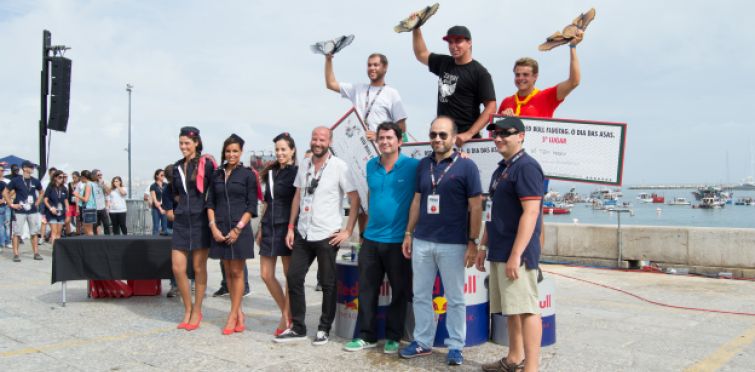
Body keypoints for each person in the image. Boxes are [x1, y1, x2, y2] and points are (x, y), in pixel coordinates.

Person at [399, 116, 482, 365]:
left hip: (453, 243)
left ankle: (456, 346)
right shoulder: (423, 165)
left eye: (442, 135)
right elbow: (416, 201)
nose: (437, 139)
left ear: (454, 138)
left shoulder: (467, 166)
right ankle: (423, 342)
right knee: (421, 295)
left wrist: (472, 242)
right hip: (423, 240)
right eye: (433, 134)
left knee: (455, 298)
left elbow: (475, 207)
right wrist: (408, 233)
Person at [274, 126, 360, 345]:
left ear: (329, 141)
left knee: (329, 283)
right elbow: (297, 197)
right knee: (294, 277)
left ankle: (323, 328)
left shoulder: (340, 167)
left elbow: (354, 198)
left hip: (326, 234)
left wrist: (347, 231)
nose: (318, 142)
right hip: (303, 231)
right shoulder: (304, 164)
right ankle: (298, 327)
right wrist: (291, 227)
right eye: (314, 139)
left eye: (322, 139)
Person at [343, 122, 416, 354]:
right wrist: (364, 231)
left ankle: (394, 337)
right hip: (371, 239)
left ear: (400, 140)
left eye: (389, 138)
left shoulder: (413, 166)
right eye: (381, 138)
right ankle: (367, 336)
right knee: (366, 290)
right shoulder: (371, 166)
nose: (384, 141)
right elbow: (369, 194)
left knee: (399, 290)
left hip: (398, 241)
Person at [478, 117, 544, 372]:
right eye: (495, 133)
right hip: (499, 249)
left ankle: (532, 368)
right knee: (512, 309)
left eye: (506, 133)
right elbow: (491, 212)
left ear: (521, 136)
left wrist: (516, 254)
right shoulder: (501, 169)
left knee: (527, 309)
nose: (499, 138)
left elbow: (531, 213)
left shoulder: (526, 167)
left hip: (518, 253)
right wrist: (484, 246)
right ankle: (514, 359)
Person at [409, 17, 496, 148]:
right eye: (450, 42)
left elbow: (491, 107)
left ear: (469, 43)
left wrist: (469, 134)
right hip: (443, 138)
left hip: (466, 142)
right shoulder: (445, 62)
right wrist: (416, 27)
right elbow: (421, 53)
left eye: (458, 41)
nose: (453, 46)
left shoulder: (480, 73)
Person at [207, 134, 258, 335]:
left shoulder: (247, 174)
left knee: (237, 272)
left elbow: (252, 204)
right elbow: (210, 202)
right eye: (228, 151)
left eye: (235, 151)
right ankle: (239, 313)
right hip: (219, 229)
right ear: (224, 152)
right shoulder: (217, 174)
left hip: (239, 230)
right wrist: (213, 226)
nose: (231, 154)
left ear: (241, 152)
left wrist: (238, 228)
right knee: (227, 273)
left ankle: (232, 315)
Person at [171, 126, 215, 331]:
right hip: (181, 221)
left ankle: (197, 310)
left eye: (187, 143)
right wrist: (177, 209)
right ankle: (187, 309)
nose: (183, 147)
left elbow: (214, 191)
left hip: (200, 221)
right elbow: (175, 194)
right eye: (181, 143)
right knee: (178, 268)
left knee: (198, 268)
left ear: (196, 142)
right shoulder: (177, 167)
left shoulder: (206, 164)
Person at [257, 132, 298, 336]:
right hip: (269, 225)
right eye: (277, 149)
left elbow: (297, 203)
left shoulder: (297, 173)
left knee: (288, 275)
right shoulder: (271, 174)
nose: (280, 153)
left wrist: (292, 227)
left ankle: (285, 317)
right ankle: (287, 310)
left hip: (287, 226)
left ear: (292, 150)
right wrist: (260, 228)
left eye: (284, 149)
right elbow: (267, 202)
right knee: (265, 274)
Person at [3, 161, 45, 262]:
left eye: (33, 167)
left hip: (32, 211)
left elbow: (42, 191)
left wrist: (37, 203)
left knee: (34, 232)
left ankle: (36, 253)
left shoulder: (35, 181)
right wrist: (12, 204)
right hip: (20, 210)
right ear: (24, 168)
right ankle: (16, 254)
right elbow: (5, 192)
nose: (33, 169)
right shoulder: (16, 180)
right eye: (31, 167)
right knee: (17, 233)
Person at [43, 170, 68, 247]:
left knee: (58, 232)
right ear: (55, 178)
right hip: (52, 212)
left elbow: (66, 200)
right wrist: (51, 209)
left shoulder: (64, 188)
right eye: (60, 177)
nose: (61, 179)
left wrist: (67, 207)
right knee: (54, 231)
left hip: (61, 212)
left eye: (63, 177)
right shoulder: (50, 187)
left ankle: (58, 248)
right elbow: (45, 200)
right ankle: (54, 248)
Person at [73, 171, 98, 235]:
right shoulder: (92, 184)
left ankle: (91, 244)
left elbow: (86, 199)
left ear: (83, 177)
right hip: (91, 208)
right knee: (88, 230)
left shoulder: (88, 185)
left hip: (87, 208)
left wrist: (77, 195)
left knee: (88, 231)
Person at [39, 167, 57, 245]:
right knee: (44, 221)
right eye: (52, 173)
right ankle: (42, 237)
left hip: (54, 204)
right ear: (49, 174)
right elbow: (42, 193)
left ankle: (50, 237)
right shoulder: (45, 182)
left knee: (54, 222)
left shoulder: (57, 183)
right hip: (45, 203)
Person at [91, 169, 111, 235]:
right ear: (93, 175)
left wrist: (102, 184)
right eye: (98, 175)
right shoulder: (90, 184)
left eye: (101, 175)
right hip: (94, 208)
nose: (100, 176)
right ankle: (95, 240)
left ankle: (107, 239)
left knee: (106, 224)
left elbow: (108, 192)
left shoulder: (103, 183)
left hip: (102, 208)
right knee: (94, 225)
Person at [150, 169, 168, 235]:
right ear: (157, 176)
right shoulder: (153, 186)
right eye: (161, 175)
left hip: (165, 208)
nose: (163, 176)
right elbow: (154, 199)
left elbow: (168, 197)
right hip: (156, 208)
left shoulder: (166, 185)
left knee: (165, 226)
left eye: (164, 175)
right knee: (156, 226)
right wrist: (160, 208)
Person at [66, 171, 81, 236]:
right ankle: (69, 233)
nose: (74, 179)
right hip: (70, 204)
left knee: (77, 220)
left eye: (75, 177)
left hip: (77, 204)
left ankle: (78, 233)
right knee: (67, 221)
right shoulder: (70, 184)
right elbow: (68, 194)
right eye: (73, 177)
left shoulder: (80, 184)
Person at [0, 163, 11, 249]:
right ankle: (1, 243)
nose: (1, 172)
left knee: (6, 224)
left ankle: (7, 242)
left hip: (5, 206)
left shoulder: (6, 182)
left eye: (2, 170)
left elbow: (12, 192)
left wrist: (5, 200)